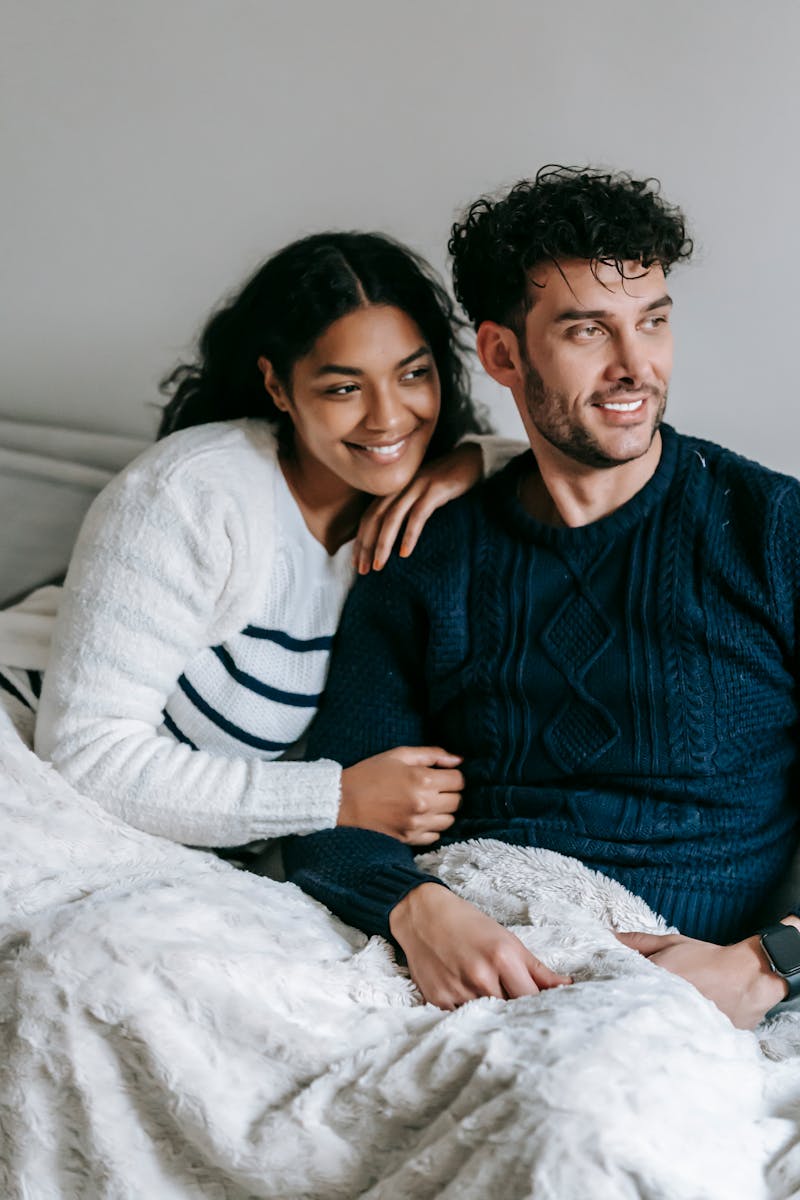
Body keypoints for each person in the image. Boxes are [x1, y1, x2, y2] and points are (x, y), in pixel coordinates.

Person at [282, 167, 800, 1029]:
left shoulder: (770, 530)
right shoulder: (424, 553)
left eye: (654, 323)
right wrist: (414, 908)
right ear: (502, 354)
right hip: (465, 945)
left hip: (675, 986)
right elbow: (331, 809)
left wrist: (770, 962)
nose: (635, 366)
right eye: (589, 331)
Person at [33, 231, 521, 850]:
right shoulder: (189, 496)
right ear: (278, 387)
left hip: (217, 839)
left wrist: (472, 460)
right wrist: (335, 797)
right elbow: (86, 755)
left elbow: (571, 469)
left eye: (413, 374)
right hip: (40, 768)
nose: (389, 417)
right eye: (344, 388)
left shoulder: (431, 503)